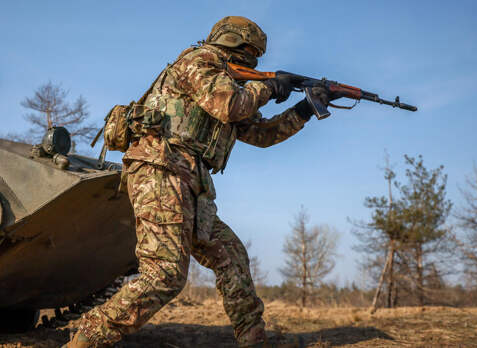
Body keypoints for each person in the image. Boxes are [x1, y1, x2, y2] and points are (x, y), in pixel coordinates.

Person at [65, 16, 335, 348]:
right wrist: (267, 86)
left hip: (190, 181)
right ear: (232, 43)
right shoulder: (200, 61)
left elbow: (261, 134)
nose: (253, 59)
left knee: (231, 255)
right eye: (250, 50)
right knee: (164, 274)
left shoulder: (232, 82)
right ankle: (87, 338)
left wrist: (305, 109)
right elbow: (229, 105)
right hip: (160, 168)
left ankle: (253, 339)